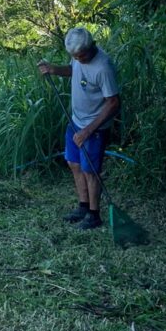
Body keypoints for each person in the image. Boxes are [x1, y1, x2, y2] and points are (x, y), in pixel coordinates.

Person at [37, 27, 120, 230]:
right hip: (76, 121)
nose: (78, 59)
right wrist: (54, 69)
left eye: (81, 56)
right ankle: (83, 207)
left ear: (91, 47)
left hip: (94, 128)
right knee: (73, 163)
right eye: (74, 56)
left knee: (90, 171)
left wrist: (88, 131)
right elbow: (74, 70)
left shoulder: (103, 67)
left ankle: (94, 215)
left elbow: (113, 103)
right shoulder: (78, 56)